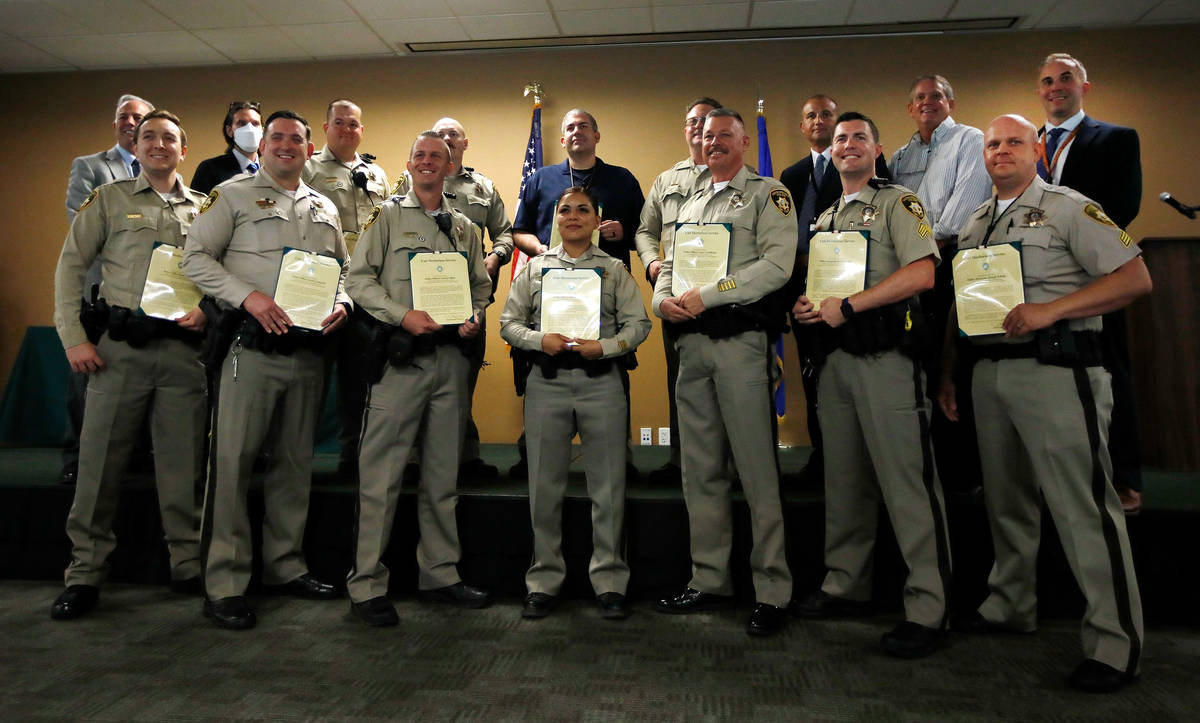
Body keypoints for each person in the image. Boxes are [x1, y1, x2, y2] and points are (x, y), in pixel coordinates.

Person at [939, 113, 1150, 693]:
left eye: (1013, 142)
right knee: (1006, 503)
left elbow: (1134, 279)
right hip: (990, 375)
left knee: (1083, 507)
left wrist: (1051, 310)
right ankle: (1010, 604)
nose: (1001, 151)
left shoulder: (1068, 207)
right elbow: (967, 301)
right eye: (991, 144)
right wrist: (952, 372)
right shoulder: (977, 221)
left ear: (1038, 149)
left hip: (1057, 370)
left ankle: (1114, 643)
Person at [792, 112, 952, 659]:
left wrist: (851, 305)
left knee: (907, 484)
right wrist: (810, 306)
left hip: (887, 358)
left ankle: (931, 607)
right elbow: (827, 287)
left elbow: (923, 273)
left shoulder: (898, 204)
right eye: (840, 139)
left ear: (878, 149)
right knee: (846, 480)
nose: (849, 145)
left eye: (859, 137)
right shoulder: (828, 215)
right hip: (837, 361)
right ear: (830, 153)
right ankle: (846, 584)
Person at [183, 110, 350, 630]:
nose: (285, 145)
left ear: (307, 146)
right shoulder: (231, 195)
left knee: (294, 465)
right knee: (232, 465)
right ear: (261, 144)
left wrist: (342, 304)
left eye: (295, 138)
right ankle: (225, 583)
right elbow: (194, 259)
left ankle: (285, 566)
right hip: (249, 350)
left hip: (306, 353)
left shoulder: (325, 206)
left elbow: (341, 272)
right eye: (276, 136)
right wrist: (248, 297)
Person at [48, 109, 207, 621]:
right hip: (120, 353)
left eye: (169, 138)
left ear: (184, 150)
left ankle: (188, 563)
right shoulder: (109, 201)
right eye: (148, 137)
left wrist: (209, 309)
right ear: (134, 147)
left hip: (183, 355)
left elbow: (222, 272)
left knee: (184, 466)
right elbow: (70, 269)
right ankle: (85, 573)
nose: (158, 144)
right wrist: (73, 338)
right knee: (98, 468)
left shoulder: (207, 209)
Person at [652, 108, 795, 636]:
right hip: (692, 346)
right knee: (700, 468)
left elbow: (777, 266)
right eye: (707, 137)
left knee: (757, 470)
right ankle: (709, 577)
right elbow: (670, 263)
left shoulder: (768, 195)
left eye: (725, 136)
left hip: (740, 344)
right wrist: (662, 300)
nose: (714, 143)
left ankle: (773, 590)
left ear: (742, 142)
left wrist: (708, 296)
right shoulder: (690, 200)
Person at [343, 131, 493, 627]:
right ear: (409, 164)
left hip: (450, 361)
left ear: (450, 166)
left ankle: (441, 573)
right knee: (381, 477)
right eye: (421, 155)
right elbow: (357, 279)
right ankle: (366, 583)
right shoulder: (385, 216)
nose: (429, 162)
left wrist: (474, 314)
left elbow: (480, 285)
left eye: (438, 156)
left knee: (442, 474)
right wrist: (400, 314)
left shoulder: (466, 227)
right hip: (400, 363)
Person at [501, 186, 651, 620]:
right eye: (564, 209)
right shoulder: (534, 269)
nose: (572, 216)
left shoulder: (615, 270)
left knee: (608, 487)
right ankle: (544, 580)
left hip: (600, 381)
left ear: (595, 218)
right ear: (555, 218)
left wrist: (605, 347)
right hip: (546, 383)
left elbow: (639, 324)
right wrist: (537, 340)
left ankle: (609, 581)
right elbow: (509, 323)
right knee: (543, 488)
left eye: (583, 209)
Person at [509, 109, 645, 481]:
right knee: (543, 370)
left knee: (609, 372)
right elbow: (517, 231)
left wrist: (624, 234)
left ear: (597, 136)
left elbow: (646, 232)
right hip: (549, 291)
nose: (576, 132)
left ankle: (619, 457)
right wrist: (541, 253)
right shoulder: (541, 179)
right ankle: (534, 457)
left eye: (584, 126)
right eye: (570, 127)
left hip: (606, 295)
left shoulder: (621, 179)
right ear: (563, 138)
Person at [1036, 52, 1145, 513]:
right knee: (1044, 377)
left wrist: (1071, 246)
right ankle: (1053, 477)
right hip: (1039, 279)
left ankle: (1123, 477)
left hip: (1095, 274)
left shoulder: (1115, 138)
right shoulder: (1029, 142)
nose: (1055, 86)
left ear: (1085, 86)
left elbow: (1124, 206)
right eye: (1047, 81)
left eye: (1065, 78)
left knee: (1109, 374)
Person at [393, 117, 516, 479]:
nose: (445, 140)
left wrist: (492, 258)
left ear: (463, 144)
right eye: (438, 135)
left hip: (467, 300)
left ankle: (465, 455)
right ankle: (416, 460)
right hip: (419, 302)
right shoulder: (407, 184)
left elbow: (505, 234)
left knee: (463, 376)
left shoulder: (483, 187)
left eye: (452, 136)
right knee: (416, 380)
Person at [889, 75, 992, 497]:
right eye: (919, 98)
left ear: (951, 101)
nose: (928, 102)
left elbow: (959, 215)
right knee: (920, 365)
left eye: (936, 95)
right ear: (910, 109)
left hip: (951, 264)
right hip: (910, 273)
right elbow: (893, 212)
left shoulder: (971, 140)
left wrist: (912, 241)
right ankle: (924, 471)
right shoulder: (900, 156)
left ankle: (962, 477)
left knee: (955, 367)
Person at [779, 94, 889, 486]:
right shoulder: (790, 176)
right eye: (811, 115)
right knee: (816, 378)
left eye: (828, 114)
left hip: (857, 290)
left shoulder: (870, 176)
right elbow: (785, 239)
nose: (820, 121)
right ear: (803, 126)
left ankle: (864, 463)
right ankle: (823, 458)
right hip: (807, 286)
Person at [61, 93, 154, 486]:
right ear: (115, 122)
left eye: (138, 117)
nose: (130, 122)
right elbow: (80, 219)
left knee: (142, 376)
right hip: (99, 290)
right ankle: (77, 457)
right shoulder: (91, 166)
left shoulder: (159, 168)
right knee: (88, 379)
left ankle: (135, 455)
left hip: (148, 293)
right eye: (124, 116)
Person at [634, 97, 721, 486]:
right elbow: (644, 231)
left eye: (704, 120)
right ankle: (681, 461)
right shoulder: (667, 182)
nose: (697, 126)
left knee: (728, 388)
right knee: (680, 381)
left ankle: (728, 463)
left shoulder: (741, 177)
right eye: (691, 121)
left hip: (724, 298)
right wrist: (653, 263)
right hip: (676, 296)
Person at [301, 99, 390, 477]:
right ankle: (295, 456)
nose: (346, 130)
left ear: (361, 130)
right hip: (320, 286)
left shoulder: (376, 173)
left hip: (366, 290)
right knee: (311, 378)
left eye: (353, 124)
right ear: (325, 128)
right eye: (339, 123)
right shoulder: (307, 169)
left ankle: (352, 455)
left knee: (359, 378)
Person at [190, 100, 262, 195]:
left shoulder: (271, 172)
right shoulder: (209, 169)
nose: (250, 129)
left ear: (263, 130)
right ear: (229, 131)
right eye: (242, 123)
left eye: (255, 124)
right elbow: (198, 206)